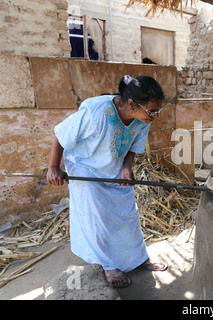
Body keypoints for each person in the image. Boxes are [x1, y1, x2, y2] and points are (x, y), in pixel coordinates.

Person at [47, 75, 168, 288]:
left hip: (113, 167)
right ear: (131, 103)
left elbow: (133, 146)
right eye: (151, 111)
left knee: (127, 213)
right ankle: (106, 264)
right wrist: (53, 167)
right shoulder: (96, 111)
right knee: (98, 217)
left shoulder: (143, 119)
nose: (155, 116)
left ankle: (137, 258)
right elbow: (61, 134)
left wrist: (126, 168)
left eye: (158, 111)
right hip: (84, 167)